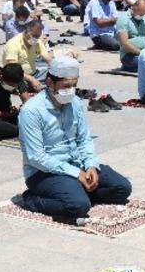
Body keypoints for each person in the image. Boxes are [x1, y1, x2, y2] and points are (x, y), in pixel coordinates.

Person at [16, 56, 132, 220]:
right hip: (44, 172)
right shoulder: (31, 111)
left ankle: (76, 191)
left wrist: (90, 165)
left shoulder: (75, 102)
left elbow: (84, 139)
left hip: (77, 163)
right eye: (66, 86)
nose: (70, 90)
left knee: (122, 188)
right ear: (50, 82)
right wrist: (76, 173)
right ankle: (31, 199)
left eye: (74, 85)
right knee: (78, 206)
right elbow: (36, 157)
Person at [2, 20, 52, 88]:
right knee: (15, 82)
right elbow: (13, 70)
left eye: (37, 36)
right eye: (34, 35)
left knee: (52, 75)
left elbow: (48, 59)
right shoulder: (13, 44)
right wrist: (31, 79)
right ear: (26, 31)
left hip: (35, 74)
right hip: (19, 77)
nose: (35, 38)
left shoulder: (37, 42)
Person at [115, 0, 145, 72]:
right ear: (133, 7)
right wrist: (141, 53)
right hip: (129, 55)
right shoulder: (124, 19)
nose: (142, 15)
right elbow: (124, 43)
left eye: (144, 13)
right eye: (140, 13)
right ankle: (127, 66)